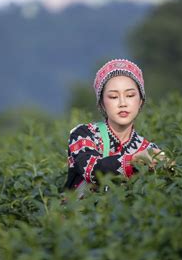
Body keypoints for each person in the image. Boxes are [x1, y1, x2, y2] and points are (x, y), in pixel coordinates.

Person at [64, 59, 169, 197]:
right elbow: (92, 169)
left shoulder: (148, 148)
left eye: (130, 95)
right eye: (113, 97)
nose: (123, 103)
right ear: (102, 103)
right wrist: (134, 160)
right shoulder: (84, 134)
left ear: (141, 101)